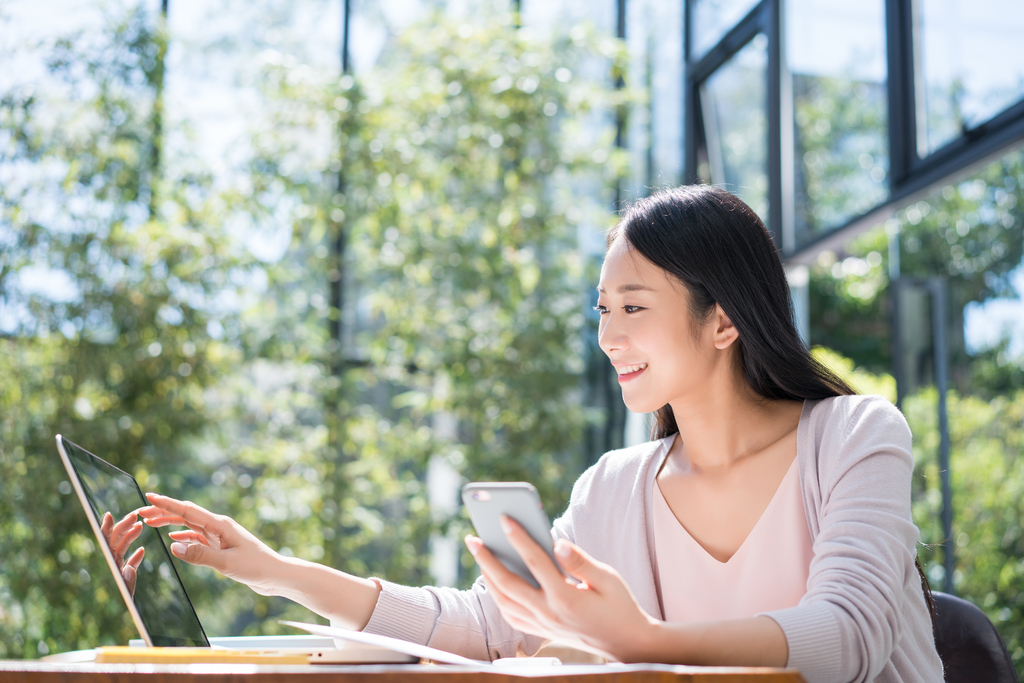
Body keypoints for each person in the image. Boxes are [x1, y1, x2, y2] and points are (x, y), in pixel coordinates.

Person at [136, 186, 943, 683]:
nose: (608, 335)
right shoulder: (614, 486)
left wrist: (643, 641)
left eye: (633, 307)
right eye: (602, 310)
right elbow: (491, 628)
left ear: (724, 319)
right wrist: (281, 572)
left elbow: (845, 642)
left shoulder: (854, 435)